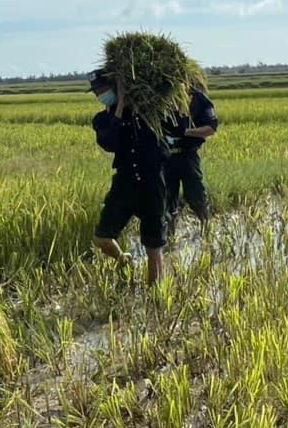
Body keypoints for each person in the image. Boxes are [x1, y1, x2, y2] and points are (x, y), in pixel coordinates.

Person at [89, 68, 168, 286]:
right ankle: (123, 259)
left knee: (153, 246)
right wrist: (120, 105)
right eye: (97, 92)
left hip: (152, 184)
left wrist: (130, 94)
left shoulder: (148, 113)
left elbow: (165, 97)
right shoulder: (102, 120)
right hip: (125, 183)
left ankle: (155, 295)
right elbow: (110, 143)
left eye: (103, 89)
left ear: (115, 87)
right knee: (102, 238)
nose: (100, 95)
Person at [163, 85, 219, 235]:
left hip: (188, 156)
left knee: (197, 198)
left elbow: (211, 128)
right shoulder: (157, 98)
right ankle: (169, 239)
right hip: (165, 158)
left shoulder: (197, 98)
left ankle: (207, 233)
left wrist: (186, 132)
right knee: (166, 203)